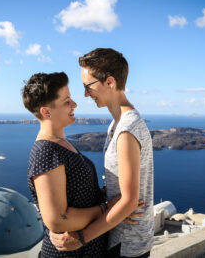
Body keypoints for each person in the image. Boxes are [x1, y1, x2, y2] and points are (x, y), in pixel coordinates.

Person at [22, 72, 144, 258]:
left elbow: (79, 193)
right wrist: (106, 209)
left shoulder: (61, 143)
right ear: (46, 112)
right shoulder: (46, 152)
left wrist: (118, 203)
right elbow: (57, 220)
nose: (74, 104)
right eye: (66, 101)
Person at [50, 48, 154, 258]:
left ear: (110, 82)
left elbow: (129, 201)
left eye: (89, 86)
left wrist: (80, 238)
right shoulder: (117, 124)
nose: (86, 94)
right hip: (122, 238)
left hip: (125, 245)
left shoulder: (126, 130)